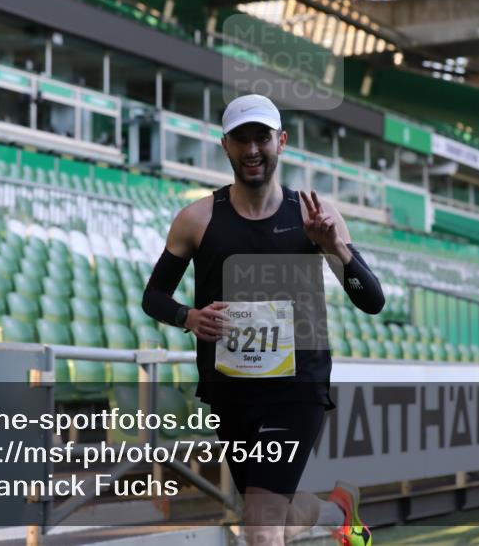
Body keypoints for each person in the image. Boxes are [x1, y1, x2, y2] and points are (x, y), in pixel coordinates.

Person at [143, 94, 384, 546]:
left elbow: (372, 301)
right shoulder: (196, 219)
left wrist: (336, 248)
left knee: (261, 528)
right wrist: (189, 317)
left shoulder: (315, 217)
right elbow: (154, 296)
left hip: (297, 388)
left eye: (262, 138)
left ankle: (333, 511)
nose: (252, 149)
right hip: (231, 389)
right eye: (241, 139)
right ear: (225, 145)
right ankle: (336, 510)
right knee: (269, 515)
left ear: (282, 142)